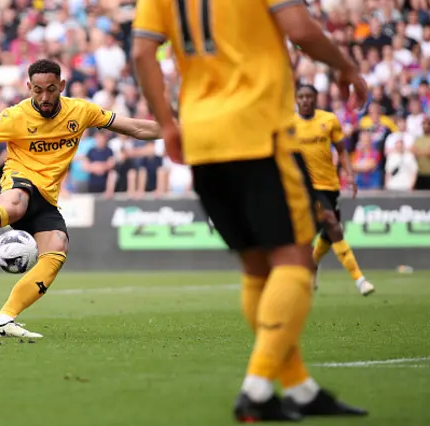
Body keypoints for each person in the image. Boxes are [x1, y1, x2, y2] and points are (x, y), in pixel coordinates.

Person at [131, 0, 368, 422]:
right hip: (260, 133)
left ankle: (298, 388)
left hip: (202, 138)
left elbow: (142, 53)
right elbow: (302, 29)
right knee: (294, 258)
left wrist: (167, 123)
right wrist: (346, 66)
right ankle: (257, 389)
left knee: (257, 269)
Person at [0, 59, 161, 340]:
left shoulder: (81, 111)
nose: (44, 97)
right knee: (15, 204)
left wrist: (177, 130)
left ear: (61, 86)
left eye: (50, 90)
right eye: (37, 90)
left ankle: (2, 321)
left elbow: (135, 128)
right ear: (28, 87)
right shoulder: (15, 116)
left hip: (46, 198)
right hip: (18, 182)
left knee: (57, 249)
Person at [295, 84, 375, 296]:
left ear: (315, 99)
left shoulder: (328, 120)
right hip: (307, 188)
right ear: (296, 100)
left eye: (309, 97)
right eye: (300, 97)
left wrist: (349, 174)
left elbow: (341, 150)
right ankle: (360, 280)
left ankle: (311, 265)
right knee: (332, 224)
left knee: (329, 233)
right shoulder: (289, 125)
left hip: (330, 184)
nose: (305, 100)